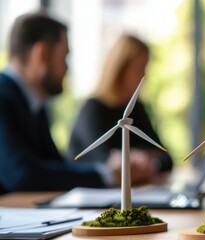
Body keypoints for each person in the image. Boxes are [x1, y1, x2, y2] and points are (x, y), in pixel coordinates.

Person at [0, 13, 147, 194]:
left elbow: (55, 166)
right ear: (42, 54)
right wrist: (106, 174)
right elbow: (21, 175)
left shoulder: (32, 103)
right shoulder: (5, 98)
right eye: (64, 57)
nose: (67, 68)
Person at [67, 35, 173, 182]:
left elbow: (166, 157)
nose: (144, 76)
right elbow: (107, 162)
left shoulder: (135, 109)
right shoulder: (93, 110)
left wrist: (149, 162)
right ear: (120, 69)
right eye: (139, 69)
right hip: (92, 196)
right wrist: (141, 157)